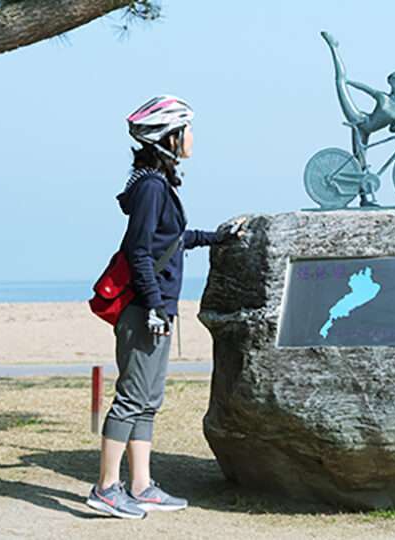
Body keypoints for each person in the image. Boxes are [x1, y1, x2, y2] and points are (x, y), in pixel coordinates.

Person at [85, 95, 245, 519]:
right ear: (168, 137)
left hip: (156, 307)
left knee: (149, 399)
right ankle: (105, 488)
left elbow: (169, 241)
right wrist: (154, 306)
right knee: (131, 396)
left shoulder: (156, 183)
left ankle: (140, 486)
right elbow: (138, 251)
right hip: (144, 309)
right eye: (187, 130)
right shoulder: (151, 188)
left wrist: (218, 238)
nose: (192, 138)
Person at [321, 31, 395, 207]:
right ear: (394, 84)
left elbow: (392, 128)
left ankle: (364, 198)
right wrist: (348, 83)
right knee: (340, 80)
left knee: (361, 164)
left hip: (367, 130)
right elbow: (367, 89)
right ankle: (333, 47)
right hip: (359, 120)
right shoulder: (383, 98)